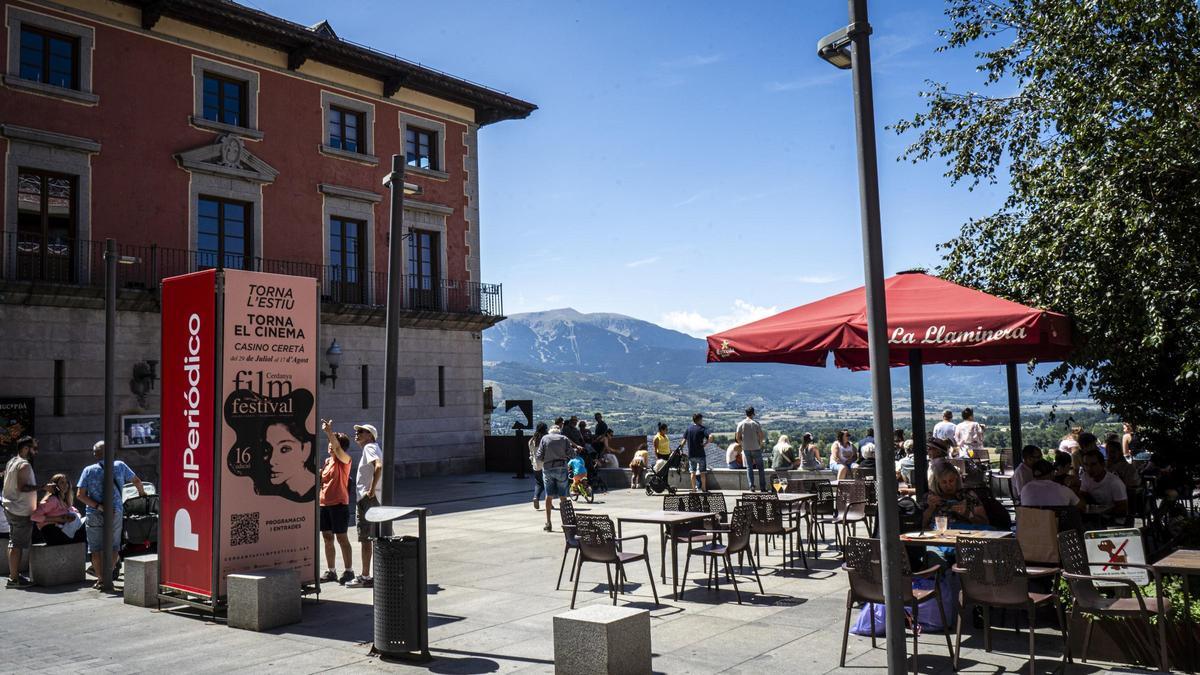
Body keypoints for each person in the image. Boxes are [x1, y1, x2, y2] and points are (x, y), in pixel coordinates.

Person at [77, 441, 145, 588]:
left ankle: (100, 579)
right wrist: (142, 495)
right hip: (115, 512)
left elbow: (80, 495)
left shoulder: (88, 470)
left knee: (95, 548)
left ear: (95, 454)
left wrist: (98, 506)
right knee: (114, 545)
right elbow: (137, 481)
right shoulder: (120, 466)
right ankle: (108, 575)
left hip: (94, 512)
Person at [346, 423, 382, 588]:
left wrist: (371, 490)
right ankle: (368, 575)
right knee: (369, 537)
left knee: (366, 538)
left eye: (361, 431)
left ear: (370, 435)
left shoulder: (370, 447)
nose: (357, 433)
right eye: (357, 431)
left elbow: (379, 466)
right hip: (368, 499)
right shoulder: (371, 447)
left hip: (367, 499)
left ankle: (366, 576)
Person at [318, 420, 354, 585]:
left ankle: (349, 571)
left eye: (334, 442)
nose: (331, 445)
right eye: (330, 443)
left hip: (339, 504)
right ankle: (331, 571)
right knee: (327, 537)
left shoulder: (344, 460)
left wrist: (329, 432)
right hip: (324, 504)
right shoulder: (327, 462)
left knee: (341, 537)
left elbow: (338, 449)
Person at [3, 436, 38, 588]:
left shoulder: (12, 461)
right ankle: (14, 579)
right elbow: (22, 487)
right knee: (16, 545)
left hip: (12, 507)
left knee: (13, 542)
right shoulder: (24, 465)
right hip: (20, 510)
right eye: (34, 448)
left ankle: (14, 575)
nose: (36, 452)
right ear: (25, 448)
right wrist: (43, 487)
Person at [923, 460, 988, 529]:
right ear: (938, 483)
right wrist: (930, 508)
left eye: (951, 481)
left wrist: (967, 513)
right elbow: (920, 525)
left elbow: (984, 522)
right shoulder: (931, 497)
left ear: (956, 479)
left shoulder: (968, 495)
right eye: (944, 482)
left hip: (965, 535)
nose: (948, 486)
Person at [536, 423, 577, 531]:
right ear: (559, 431)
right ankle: (567, 524)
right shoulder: (564, 438)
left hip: (548, 469)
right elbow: (572, 455)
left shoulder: (545, 438)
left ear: (550, 431)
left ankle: (548, 523)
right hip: (561, 468)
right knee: (563, 496)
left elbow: (539, 456)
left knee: (548, 496)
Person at [31, 473, 83, 546]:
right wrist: (58, 519)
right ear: (55, 486)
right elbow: (34, 516)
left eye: (67, 482)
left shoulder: (65, 502)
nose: (65, 485)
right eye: (62, 483)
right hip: (52, 532)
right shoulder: (52, 500)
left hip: (62, 531)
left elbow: (77, 513)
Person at [1080, 448, 1128, 516]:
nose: (1089, 468)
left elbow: (1122, 508)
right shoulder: (1085, 477)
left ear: (1102, 464)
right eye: (1086, 465)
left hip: (1112, 519)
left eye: (1093, 464)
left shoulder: (1115, 482)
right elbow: (1082, 496)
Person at [736, 407, 767, 492]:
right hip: (756, 448)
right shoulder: (755, 423)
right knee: (760, 468)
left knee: (749, 468)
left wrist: (742, 445)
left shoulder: (741, 424)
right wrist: (760, 445)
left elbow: (737, 437)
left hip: (746, 449)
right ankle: (763, 487)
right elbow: (761, 436)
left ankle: (751, 486)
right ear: (753, 413)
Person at [683, 413, 710, 492]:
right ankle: (704, 489)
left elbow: (683, 441)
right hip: (701, 454)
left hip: (691, 454)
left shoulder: (688, 429)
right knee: (702, 473)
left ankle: (694, 489)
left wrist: (680, 448)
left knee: (692, 472)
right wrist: (705, 444)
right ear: (699, 419)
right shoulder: (703, 428)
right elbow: (711, 437)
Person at [529, 423, 548, 509]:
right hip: (546, 464)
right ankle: (549, 503)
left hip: (536, 465)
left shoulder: (532, 440)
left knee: (539, 483)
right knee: (548, 484)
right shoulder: (545, 439)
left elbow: (531, 453)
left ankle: (536, 497)